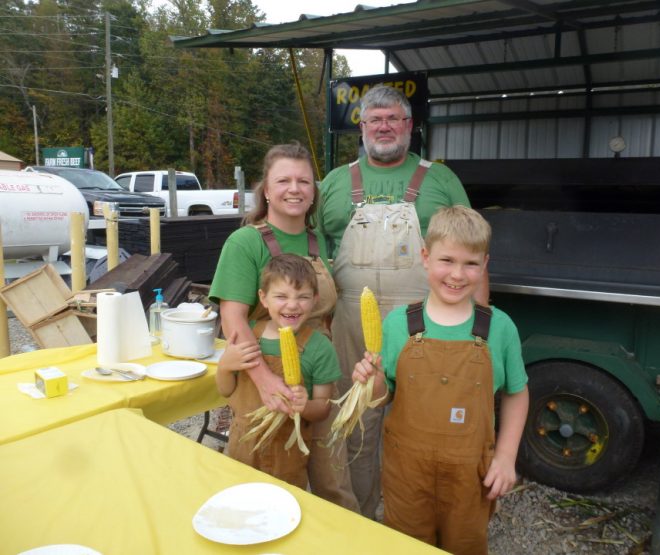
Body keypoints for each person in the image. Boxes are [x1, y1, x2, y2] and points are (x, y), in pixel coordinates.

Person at [317, 84, 487, 518]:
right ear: (363, 127)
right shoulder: (336, 182)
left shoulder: (440, 179)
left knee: (421, 423)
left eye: (394, 118)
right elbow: (314, 258)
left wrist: (481, 327)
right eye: (375, 119)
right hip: (351, 323)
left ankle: (414, 519)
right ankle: (357, 516)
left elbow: (475, 255)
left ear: (410, 126)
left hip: (425, 322)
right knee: (355, 422)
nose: (384, 127)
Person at [352, 206, 529, 554]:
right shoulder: (399, 323)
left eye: (471, 264)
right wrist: (369, 381)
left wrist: (507, 456)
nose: (457, 275)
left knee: (464, 544)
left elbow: (517, 393)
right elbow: (382, 395)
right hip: (407, 476)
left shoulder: (499, 327)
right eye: (447, 260)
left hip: (469, 477)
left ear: (485, 265)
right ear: (426, 257)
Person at [209, 142, 359, 511]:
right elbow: (233, 320)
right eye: (284, 180)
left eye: (304, 181)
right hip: (265, 381)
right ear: (267, 190)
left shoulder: (317, 240)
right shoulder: (245, 242)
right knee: (262, 482)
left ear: (314, 192)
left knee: (332, 484)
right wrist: (265, 381)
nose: (295, 188)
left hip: (317, 377)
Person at [216, 254, 339, 488]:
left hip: (288, 455)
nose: (292, 305)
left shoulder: (320, 348)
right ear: (263, 298)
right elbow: (226, 390)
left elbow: (323, 408)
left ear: (315, 300)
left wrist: (307, 406)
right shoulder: (249, 336)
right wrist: (225, 366)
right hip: (242, 446)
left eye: (302, 297)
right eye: (281, 296)